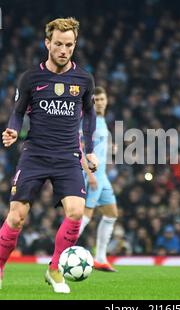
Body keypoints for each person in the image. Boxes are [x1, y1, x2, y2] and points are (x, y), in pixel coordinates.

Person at [0, 17, 98, 294]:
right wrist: (12, 130)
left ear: (74, 45)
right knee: (17, 216)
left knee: (76, 212)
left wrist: (90, 150)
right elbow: (18, 112)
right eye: (58, 44)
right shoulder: (31, 78)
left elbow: (90, 114)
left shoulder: (83, 79)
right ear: (47, 43)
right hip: (35, 153)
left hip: (68, 155)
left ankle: (55, 268)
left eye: (69, 45)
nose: (63, 50)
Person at [78, 87, 119, 272]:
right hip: (92, 175)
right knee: (85, 216)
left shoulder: (102, 121)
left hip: (102, 176)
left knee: (111, 213)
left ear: (107, 100)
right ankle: (60, 254)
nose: (100, 102)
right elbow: (79, 147)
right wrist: (90, 174)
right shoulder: (86, 119)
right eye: (97, 99)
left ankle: (100, 258)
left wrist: (111, 148)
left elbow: (97, 146)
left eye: (103, 99)